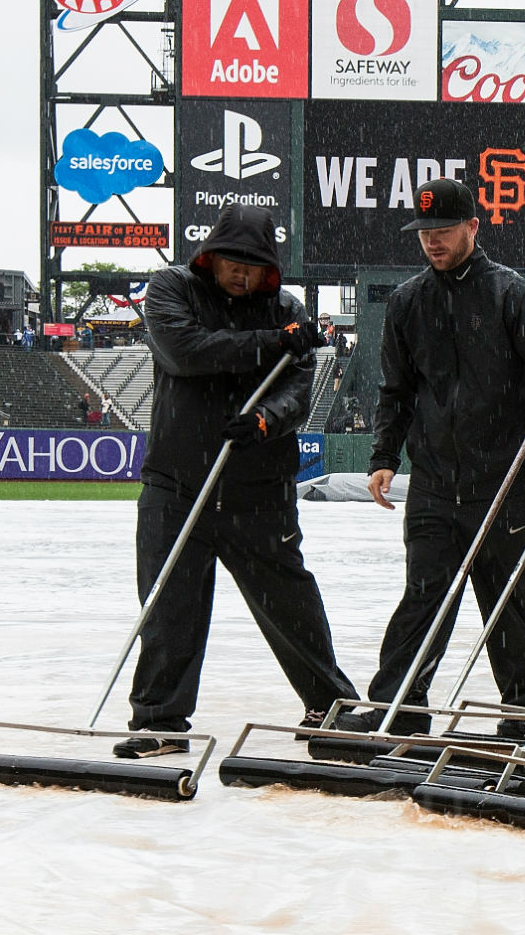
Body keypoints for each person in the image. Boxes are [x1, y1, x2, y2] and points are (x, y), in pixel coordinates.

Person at [339, 179, 525, 741]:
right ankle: (398, 706)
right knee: (424, 594)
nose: (433, 242)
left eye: (444, 231)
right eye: (425, 233)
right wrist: (383, 455)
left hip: (502, 477)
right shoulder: (406, 302)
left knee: (508, 596)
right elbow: (396, 391)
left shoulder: (509, 292)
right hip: (432, 480)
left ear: (474, 227)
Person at [115, 201, 359, 758]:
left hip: (258, 487)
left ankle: (329, 707)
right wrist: (273, 342)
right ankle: (159, 719)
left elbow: (298, 388)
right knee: (170, 604)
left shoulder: (284, 307)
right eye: (232, 261)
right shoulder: (171, 290)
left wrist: (267, 419)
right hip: (176, 484)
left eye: (253, 264)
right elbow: (185, 353)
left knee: (290, 601)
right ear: (210, 256)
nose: (242, 273)